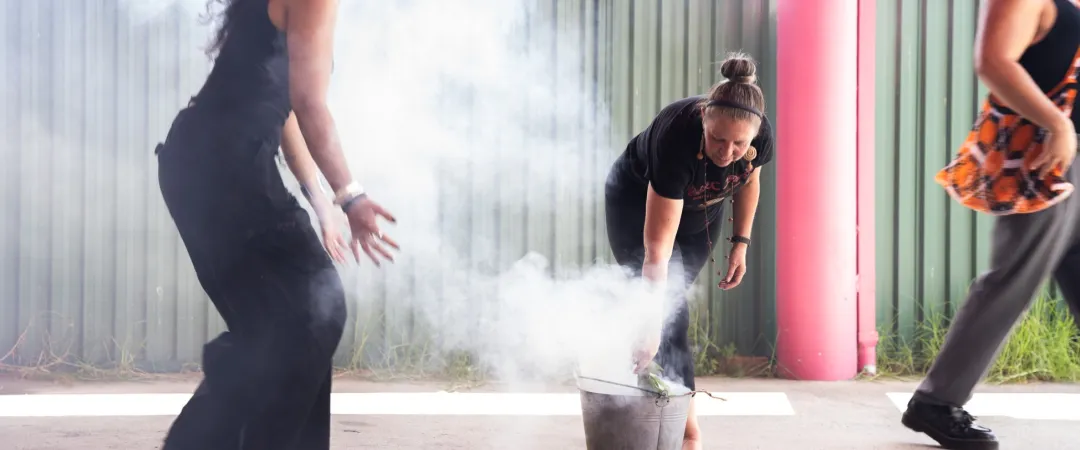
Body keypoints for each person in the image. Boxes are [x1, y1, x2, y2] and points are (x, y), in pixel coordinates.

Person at [154, 0, 400, 448]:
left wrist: (322, 201)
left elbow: (281, 103)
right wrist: (352, 197)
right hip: (224, 167)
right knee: (311, 315)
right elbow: (308, 103)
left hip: (197, 163)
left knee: (282, 327)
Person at [910, 0, 1080, 449]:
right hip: (1043, 158)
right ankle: (936, 401)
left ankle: (938, 399)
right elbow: (993, 59)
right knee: (1013, 278)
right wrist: (1057, 124)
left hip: (1072, 158)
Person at [603, 52, 775, 450]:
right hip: (634, 202)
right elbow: (657, 253)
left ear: (754, 135)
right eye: (717, 138)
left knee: (667, 313)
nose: (727, 151)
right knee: (664, 311)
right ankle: (687, 432)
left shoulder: (760, 136)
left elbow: (749, 180)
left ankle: (655, 401)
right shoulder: (676, 139)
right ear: (703, 120)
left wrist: (741, 243)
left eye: (739, 143)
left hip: (703, 206)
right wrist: (651, 324)